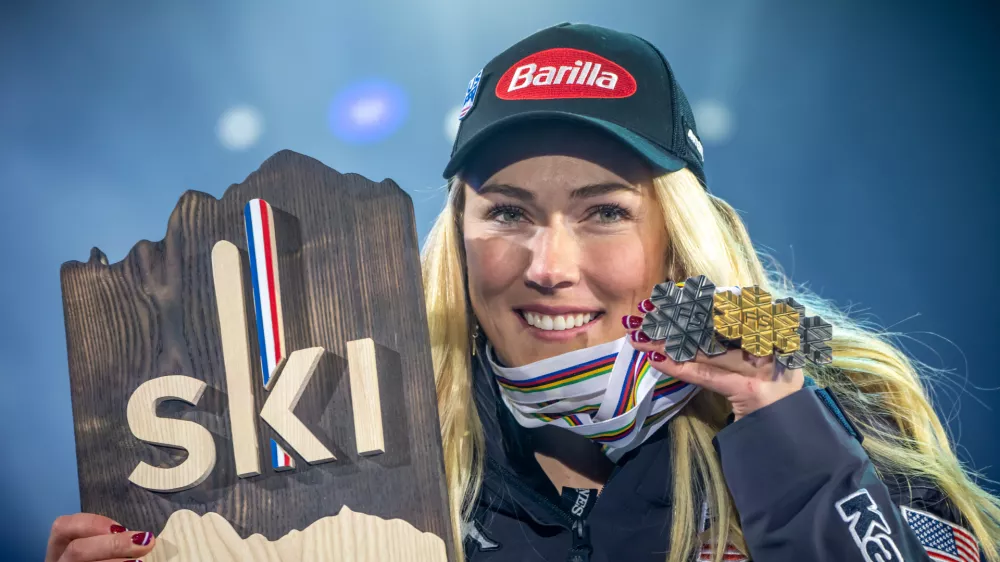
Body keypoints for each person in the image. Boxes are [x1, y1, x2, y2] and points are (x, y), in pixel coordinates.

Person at [45, 22, 998, 562]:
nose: (548, 265)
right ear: (456, 235)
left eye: (604, 212)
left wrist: (780, 428)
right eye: (505, 212)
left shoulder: (836, 414)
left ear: (678, 232)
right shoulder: (345, 442)